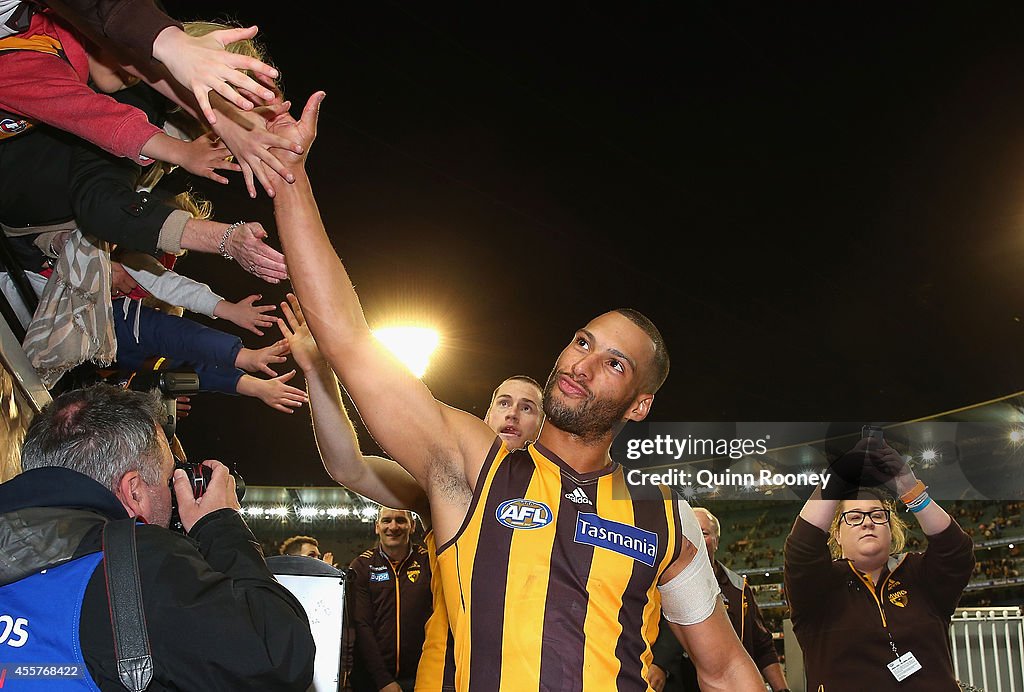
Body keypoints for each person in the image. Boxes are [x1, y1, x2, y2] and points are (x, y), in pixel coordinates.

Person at [265, 91, 763, 691]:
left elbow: (727, 667)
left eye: (614, 363)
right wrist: (291, 174)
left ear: (640, 404)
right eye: (582, 342)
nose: (583, 363)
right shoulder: (474, 463)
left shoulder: (660, 519)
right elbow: (348, 338)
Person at [276, 291, 545, 691]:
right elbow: (348, 466)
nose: (512, 412)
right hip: (447, 674)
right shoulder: (446, 481)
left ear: (543, 426)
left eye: (528, 407)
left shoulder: (563, 493)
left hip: (533, 673)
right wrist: (318, 370)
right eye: (503, 402)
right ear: (485, 418)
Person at [0, 382, 315, 689]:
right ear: (134, 491)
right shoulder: (138, 563)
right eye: (167, 479)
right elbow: (279, 657)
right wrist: (221, 525)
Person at [783, 435, 976, 691]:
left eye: (877, 515)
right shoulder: (819, 587)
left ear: (891, 528)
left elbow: (956, 550)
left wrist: (910, 489)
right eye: (854, 516)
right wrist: (838, 477)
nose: (867, 522)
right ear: (837, 534)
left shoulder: (920, 576)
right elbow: (801, 549)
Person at [649, 507, 790, 692]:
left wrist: (781, 689)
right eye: (690, 531)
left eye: (704, 532)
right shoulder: (660, 583)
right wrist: (660, 664)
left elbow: (762, 644)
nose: (696, 537)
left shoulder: (738, 588)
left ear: (717, 541)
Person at [348, 507, 433, 692]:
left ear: (412, 526)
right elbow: (362, 626)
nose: (393, 527)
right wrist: (383, 679)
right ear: (377, 527)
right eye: (386, 521)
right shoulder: (362, 565)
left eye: (400, 520)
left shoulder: (428, 562)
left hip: (421, 675)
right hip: (373, 680)